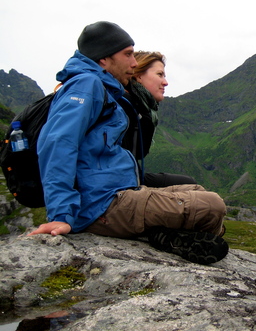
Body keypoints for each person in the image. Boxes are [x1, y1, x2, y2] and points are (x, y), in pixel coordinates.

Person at [27, 21, 228, 265]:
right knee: (211, 205)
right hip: (101, 206)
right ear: (103, 58)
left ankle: (169, 237)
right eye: (128, 54)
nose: (134, 63)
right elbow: (58, 143)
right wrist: (61, 215)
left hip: (116, 195)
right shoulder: (86, 85)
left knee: (197, 192)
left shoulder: (104, 88)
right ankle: (174, 238)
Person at [120, 50, 197, 187]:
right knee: (196, 193)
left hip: (132, 176)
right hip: (122, 183)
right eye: (159, 75)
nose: (165, 82)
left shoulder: (141, 108)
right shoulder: (125, 105)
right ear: (138, 76)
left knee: (189, 184)